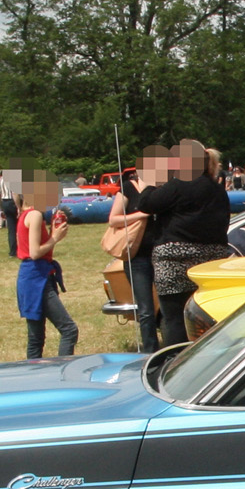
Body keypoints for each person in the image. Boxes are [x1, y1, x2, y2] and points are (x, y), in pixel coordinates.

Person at [137, 139, 233, 346]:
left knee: (174, 319)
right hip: (211, 261)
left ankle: (175, 360)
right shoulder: (217, 189)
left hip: (175, 260)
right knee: (205, 315)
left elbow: (146, 204)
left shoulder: (180, 184)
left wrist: (148, 184)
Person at [16, 170, 79, 359]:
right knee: (69, 330)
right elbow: (35, 252)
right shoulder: (35, 215)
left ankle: (33, 378)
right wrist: (55, 238)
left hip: (30, 276)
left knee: (36, 338)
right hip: (37, 278)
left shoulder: (26, 214)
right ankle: (62, 371)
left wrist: (52, 229)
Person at [111, 147, 166, 352]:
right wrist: (141, 214)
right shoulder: (129, 187)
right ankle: (149, 351)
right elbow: (114, 219)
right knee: (146, 309)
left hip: (161, 255)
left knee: (166, 307)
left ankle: (170, 347)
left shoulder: (164, 189)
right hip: (137, 257)